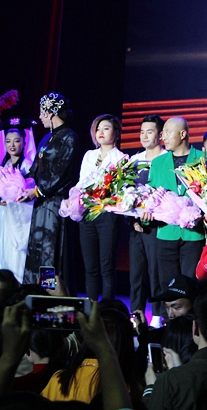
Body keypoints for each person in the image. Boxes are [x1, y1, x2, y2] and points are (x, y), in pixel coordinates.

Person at [143, 284, 207, 410]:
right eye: (167, 307)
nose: (170, 315)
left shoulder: (170, 381)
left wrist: (151, 389)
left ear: (195, 328)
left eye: (176, 307)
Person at [21, 92, 79, 285]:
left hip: (55, 202)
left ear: (52, 112)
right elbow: (34, 169)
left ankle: (50, 290)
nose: (40, 117)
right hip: (40, 201)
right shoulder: (47, 138)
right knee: (36, 246)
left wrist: (38, 190)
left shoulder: (69, 138)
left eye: (42, 112)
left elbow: (62, 173)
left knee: (50, 247)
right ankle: (33, 288)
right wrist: (17, 184)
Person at [141, 117, 206, 285]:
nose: (164, 137)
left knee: (191, 285)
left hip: (194, 234)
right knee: (167, 285)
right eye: (163, 133)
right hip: (166, 233)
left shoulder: (204, 159)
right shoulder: (158, 163)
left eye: (168, 132)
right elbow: (150, 195)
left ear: (182, 134)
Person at [77, 114, 128, 302]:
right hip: (88, 213)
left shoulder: (121, 158)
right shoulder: (89, 155)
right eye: (98, 129)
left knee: (107, 266)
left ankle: (107, 309)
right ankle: (90, 306)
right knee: (90, 267)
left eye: (106, 128)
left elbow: (121, 190)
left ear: (116, 132)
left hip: (108, 215)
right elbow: (81, 183)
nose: (101, 132)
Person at [0, 120, 36, 282]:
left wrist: (12, 199)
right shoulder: (3, 164)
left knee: (14, 251)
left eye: (17, 141)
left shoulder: (27, 166)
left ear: (24, 143)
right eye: (8, 141)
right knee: (1, 248)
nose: (12, 145)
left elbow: (28, 193)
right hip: (3, 215)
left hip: (18, 217)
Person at [129, 114, 166, 326]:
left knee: (156, 273)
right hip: (136, 226)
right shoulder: (134, 160)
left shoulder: (166, 160)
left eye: (149, 131)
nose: (144, 136)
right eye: (142, 132)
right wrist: (132, 219)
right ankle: (136, 314)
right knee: (136, 274)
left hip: (158, 226)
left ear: (160, 135)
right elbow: (126, 192)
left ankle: (158, 316)